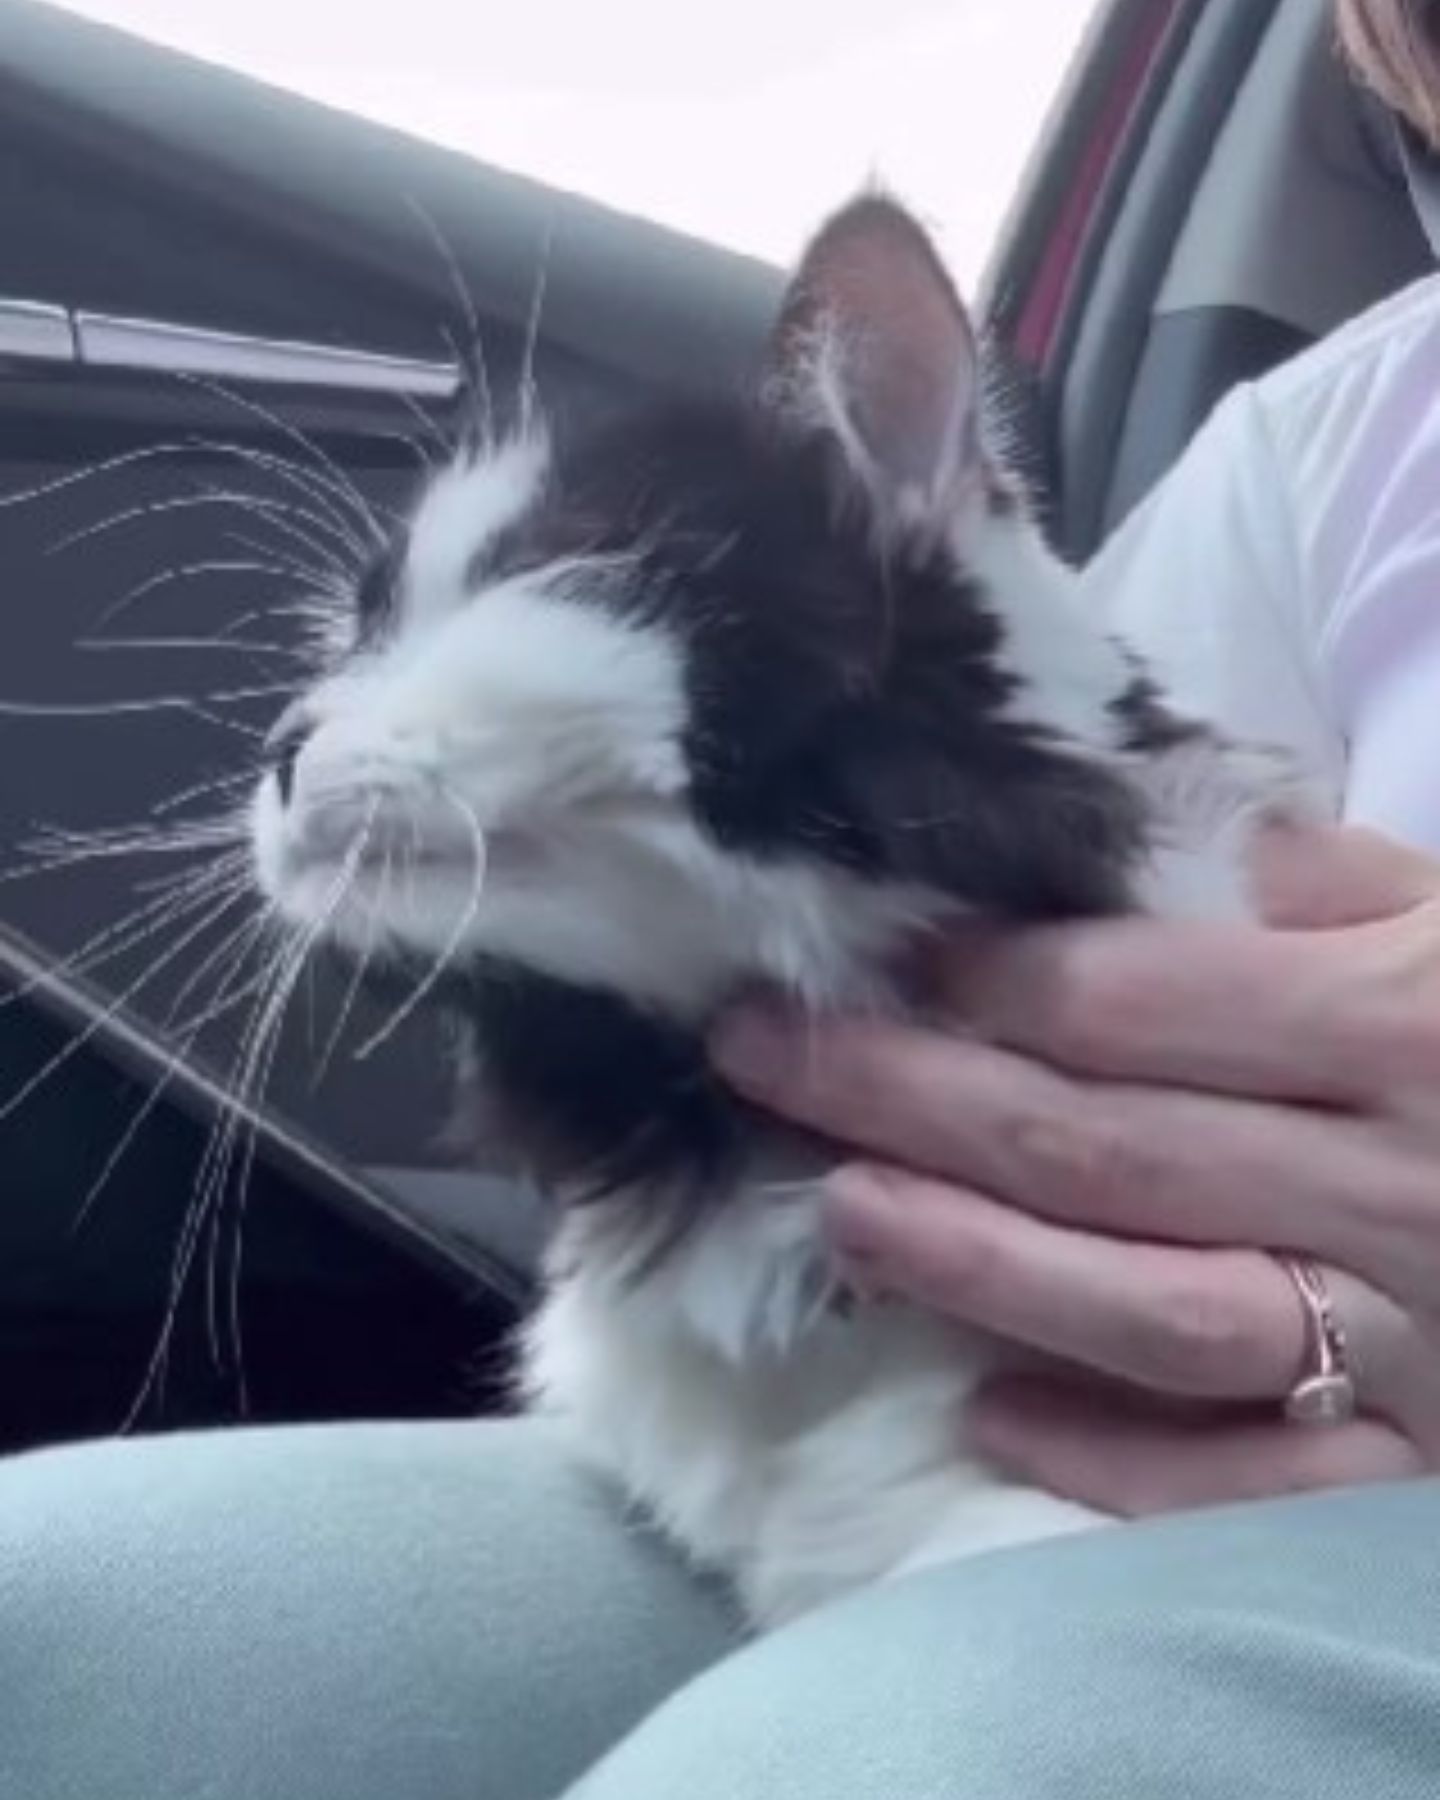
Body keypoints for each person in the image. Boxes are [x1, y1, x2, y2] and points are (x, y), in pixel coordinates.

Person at [8, 3, 1440, 1795]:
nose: (307, 725)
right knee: (56, 1630)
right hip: (884, 1478)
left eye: (511, 589)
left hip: (1257, 1542)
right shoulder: (1323, 451)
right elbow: (1059, 776)